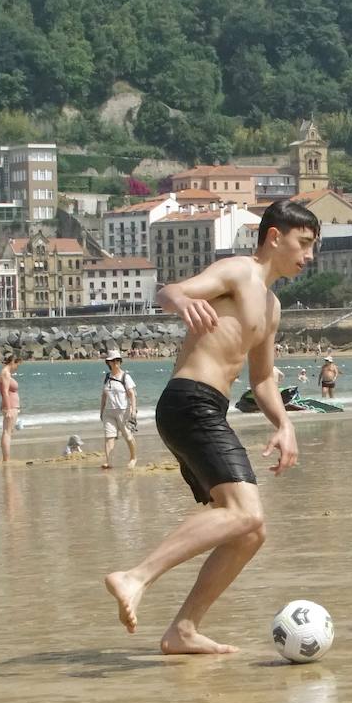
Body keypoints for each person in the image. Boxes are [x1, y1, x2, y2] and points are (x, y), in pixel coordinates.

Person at [103, 199, 313, 655]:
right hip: (188, 402)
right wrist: (179, 300)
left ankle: (183, 630)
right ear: (274, 237)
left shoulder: (272, 306)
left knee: (251, 532)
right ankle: (134, 576)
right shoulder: (239, 272)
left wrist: (284, 424)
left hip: (209, 408)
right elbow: (169, 291)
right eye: (305, 243)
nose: (309, 255)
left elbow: (260, 379)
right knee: (246, 513)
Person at [99, 349, 139, 470]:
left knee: (128, 436)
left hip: (123, 411)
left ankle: (133, 458)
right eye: (113, 360)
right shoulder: (107, 377)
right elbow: (104, 395)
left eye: (117, 360)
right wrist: (101, 411)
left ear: (120, 361)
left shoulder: (125, 377)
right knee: (109, 437)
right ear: (109, 362)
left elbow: (132, 394)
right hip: (108, 412)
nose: (116, 362)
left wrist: (133, 410)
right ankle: (108, 461)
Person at [0, 354, 22, 463]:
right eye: (17, 365)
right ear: (12, 362)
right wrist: (7, 409)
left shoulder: (5, 374)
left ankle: (6, 458)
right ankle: (6, 459)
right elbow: (5, 392)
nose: (17, 368)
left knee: (9, 431)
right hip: (10, 406)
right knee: (7, 432)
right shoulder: (5, 374)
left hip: (11, 406)